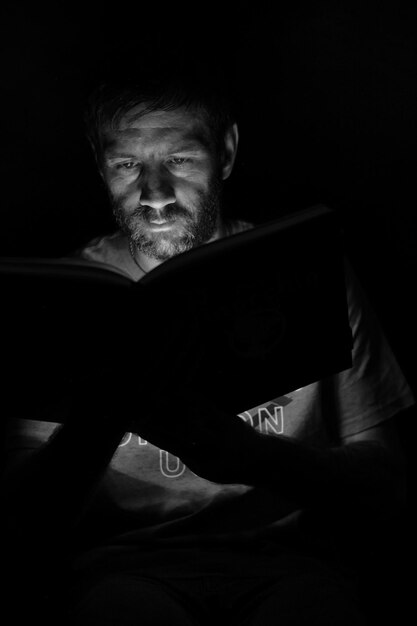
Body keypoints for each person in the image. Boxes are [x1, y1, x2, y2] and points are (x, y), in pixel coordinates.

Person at [2, 57, 414, 626]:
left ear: (226, 152)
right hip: (122, 571)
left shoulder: (307, 277)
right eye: (126, 164)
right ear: (99, 168)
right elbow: (18, 522)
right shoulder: (65, 305)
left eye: (178, 160)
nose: (155, 195)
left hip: (292, 565)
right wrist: (100, 419)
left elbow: (389, 487)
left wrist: (253, 459)